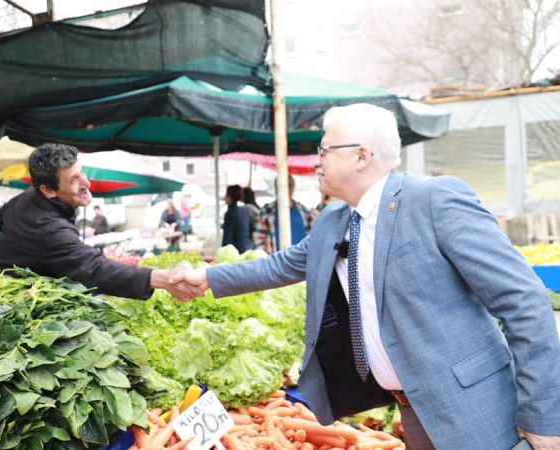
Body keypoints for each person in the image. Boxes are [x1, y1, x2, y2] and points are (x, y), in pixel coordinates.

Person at [173, 104, 560, 450]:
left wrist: (544, 417)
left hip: (474, 405)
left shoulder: (434, 200)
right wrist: (207, 278)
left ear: (362, 156)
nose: (317, 160)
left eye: (325, 149)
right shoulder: (334, 222)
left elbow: (524, 302)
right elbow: (280, 266)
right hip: (411, 407)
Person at [0, 143, 198, 301]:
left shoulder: (25, 200)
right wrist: (163, 278)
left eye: (82, 173)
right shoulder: (46, 228)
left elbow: (3, 216)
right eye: (74, 180)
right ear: (49, 190)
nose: (87, 183)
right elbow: (94, 268)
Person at [254, 174, 314, 253]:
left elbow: (311, 237)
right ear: (276, 188)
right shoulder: (267, 211)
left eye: (289, 186)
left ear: (293, 188)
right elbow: (259, 237)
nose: (286, 189)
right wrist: (266, 256)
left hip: (300, 261)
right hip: (274, 260)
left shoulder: (304, 211)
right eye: (281, 186)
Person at [222, 185, 253, 253]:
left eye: (226, 195)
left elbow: (227, 239)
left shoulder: (230, 213)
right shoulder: (245, 210)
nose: (225, 197)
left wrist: (223, 252)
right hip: (249, 248)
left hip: (237, 251)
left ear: (230, 197)